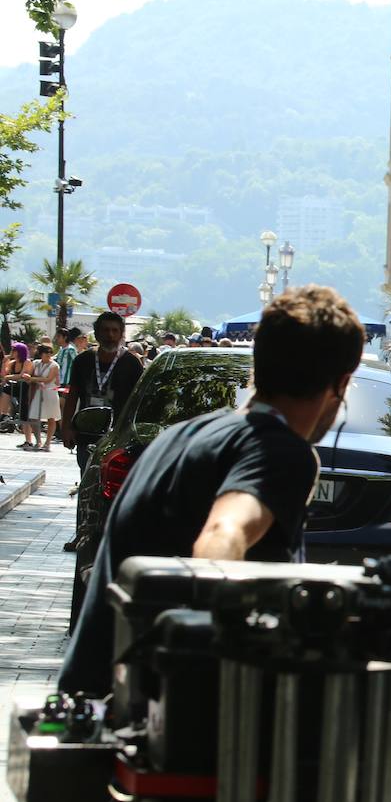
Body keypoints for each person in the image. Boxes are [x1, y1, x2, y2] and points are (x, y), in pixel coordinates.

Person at [61, 285, 365, 697]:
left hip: (90, 702)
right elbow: (224, 535)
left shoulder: (178, 438)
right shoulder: (282, 451)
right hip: (158, 720)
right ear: (341, 384)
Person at [61, 312, 144, 472]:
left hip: (119, 436)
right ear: (97, 333)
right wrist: (66, 428)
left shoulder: (132, 363)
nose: (110, 335)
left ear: (121, 334)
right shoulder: (82, 361)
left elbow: (139, 401)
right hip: (87, 433)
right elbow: (73, 395)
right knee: (87, 477)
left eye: (115, 331)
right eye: (105, 330)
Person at [28, 344, 61, 451]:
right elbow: (30, 374)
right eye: (46, 353)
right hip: (38, 392)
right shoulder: (36, 363)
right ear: (41, 354)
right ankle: (38, 441)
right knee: (33, 417)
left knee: (51, 418)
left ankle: (47, 442)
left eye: (50, 353)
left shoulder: (54, 365)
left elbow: (48, 379)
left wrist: (33, 379)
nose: (48, 355)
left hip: (50, 392)